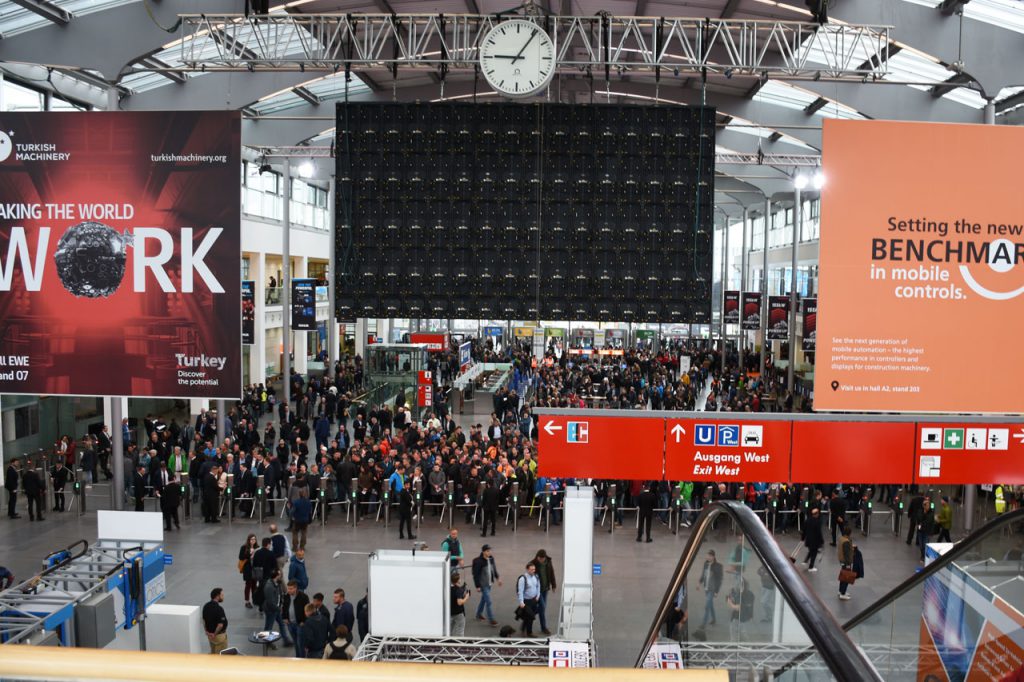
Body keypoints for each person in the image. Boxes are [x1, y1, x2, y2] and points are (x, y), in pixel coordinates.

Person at [471, 544, 501, 626]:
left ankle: (478, 614)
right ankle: (491, 619)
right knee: (489, 602)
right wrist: (477, 586)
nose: (490, 552)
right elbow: (475, 575)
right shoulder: (478, 561)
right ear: (483, 552)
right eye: (488, 551)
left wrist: (498, 578)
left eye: (490, 550)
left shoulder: (491, 559)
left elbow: (494, 569)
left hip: (489, 583)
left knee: (483, 600)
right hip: (483, 585)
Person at [532, 549, 557, 636]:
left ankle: (528, 616)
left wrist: (553, 585)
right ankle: (544, 628)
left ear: (545, 557)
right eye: (539, 558)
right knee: (542, 608)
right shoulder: (533, 563)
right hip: (537, 590)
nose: (540, 560)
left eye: (542, 559)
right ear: (537, 556)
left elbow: (552, 573)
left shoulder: (548, 562)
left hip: (545, 589)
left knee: (542, 608)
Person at [282, 579, 309, 658]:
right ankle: (298, 658)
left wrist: (304, 621)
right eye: (288, 588)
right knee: (296, 643)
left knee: (300, 644)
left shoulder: (303, 597)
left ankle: (302, 659)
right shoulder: (286, 596)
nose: (289, 590)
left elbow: (307, 610)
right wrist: (285, 618)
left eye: (291, 588)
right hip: (290, 624)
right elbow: (284, 607)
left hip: (300, 624)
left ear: (295, 588)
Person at [262, 570, 289, 646]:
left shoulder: (277, 583)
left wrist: (280, 605)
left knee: (281, 624)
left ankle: (286, 640)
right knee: (268, 627)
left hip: (276, 609)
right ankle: (267, 642)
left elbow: (279, 594)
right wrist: (279, 608)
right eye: (280, 575)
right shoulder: (269, 586)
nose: (281, 576)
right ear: (276, 576)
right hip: (271, 610)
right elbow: (270, 602)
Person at [515, 561, 541, 637]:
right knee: (531, 617)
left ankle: (523, 628)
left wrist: (538, 596)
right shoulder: (523, 579)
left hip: (534, 600)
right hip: (526, 601)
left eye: (534, 569)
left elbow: (538, 586)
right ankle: (529, 633)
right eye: (532, 569)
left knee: (529, 616)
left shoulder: (536, 576)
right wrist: (521, 602)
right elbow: (520, 591)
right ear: (527, 569)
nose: (533, 571)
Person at [699, 549, 723, 628]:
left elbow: (719, 580)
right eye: (707, 555)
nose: (708, 557)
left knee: (707, 606)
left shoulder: (718, 566)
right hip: (706, 588)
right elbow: (703, 574)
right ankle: (714, 619)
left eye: (709, 556)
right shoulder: (706, 564)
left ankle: (703, 624)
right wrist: (699, 583)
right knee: (710, 605)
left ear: (713, 557)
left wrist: (716, 591)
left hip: (712, 589)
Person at [202, 588, 228, 654]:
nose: (223, 597)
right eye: (222, 595)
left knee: (213, 653)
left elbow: (204, 620)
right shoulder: (219, 609)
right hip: (219, 637)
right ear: (217, 596)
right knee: (221, 657)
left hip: (210, 637)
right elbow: (220, 625)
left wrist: (207, 631)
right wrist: (214, 634)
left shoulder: (206, 606)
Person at [238, 533, 258, 608]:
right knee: (248, 585)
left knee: (254, 585)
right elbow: (240, 557)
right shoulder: (244, 547)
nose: (253, 541)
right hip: (248, 569)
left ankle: (254, 599)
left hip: (255, 569)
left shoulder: (257, 547)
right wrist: (250, 554)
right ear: (249, 540)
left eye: (254, 539)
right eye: (252, 539)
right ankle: (247, 601)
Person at [803, 506, 824, 572]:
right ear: (816, 514)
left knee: (811, 551)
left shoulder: (807, 520)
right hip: (815, 540)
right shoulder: (818, 522)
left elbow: (804, 530)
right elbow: (819, 532)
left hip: (808, 540)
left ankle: (805, 561)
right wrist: (821, 541)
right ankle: (811, 567)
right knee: (814, 554)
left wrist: (803, 538)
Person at [449, 571, 470, 636]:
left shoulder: (447, 588)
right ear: (458, 580)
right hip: (459, 613)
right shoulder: (458, 590)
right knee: (460, 631)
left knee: (449, 631)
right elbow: (459, 602)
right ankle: (460, 645)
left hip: (449, 613)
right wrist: (466, 597)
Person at [837, 524, 854, 600]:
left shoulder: (841, 539)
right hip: (846, 562)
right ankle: (843, 593)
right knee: (846, 577)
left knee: (842, 576)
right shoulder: (846, 542)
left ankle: (841, 591)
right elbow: (847, 553)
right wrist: (848, 564)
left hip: (842, 560)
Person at [917, 496, 936, 562]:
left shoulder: (931, 513)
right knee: (921, 545)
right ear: (923, 506)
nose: (928, 506)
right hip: (920, 531)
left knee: (925, 545)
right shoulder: (920, 511)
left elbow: (928, 521)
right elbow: (919, 518)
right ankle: (922, 555)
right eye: (926, 505)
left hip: (927, 531)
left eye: (928, 505)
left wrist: (931, 532)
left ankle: (923, 557)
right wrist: (924, 513)